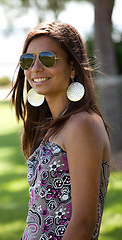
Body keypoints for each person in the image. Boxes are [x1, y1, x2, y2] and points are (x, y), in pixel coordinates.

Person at [11, 21, 111, 240]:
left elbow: (84, 223)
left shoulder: (82, 124)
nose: (35, 68)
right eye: (28, 60)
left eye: (47, 59)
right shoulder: (56, 127)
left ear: (73, 67)